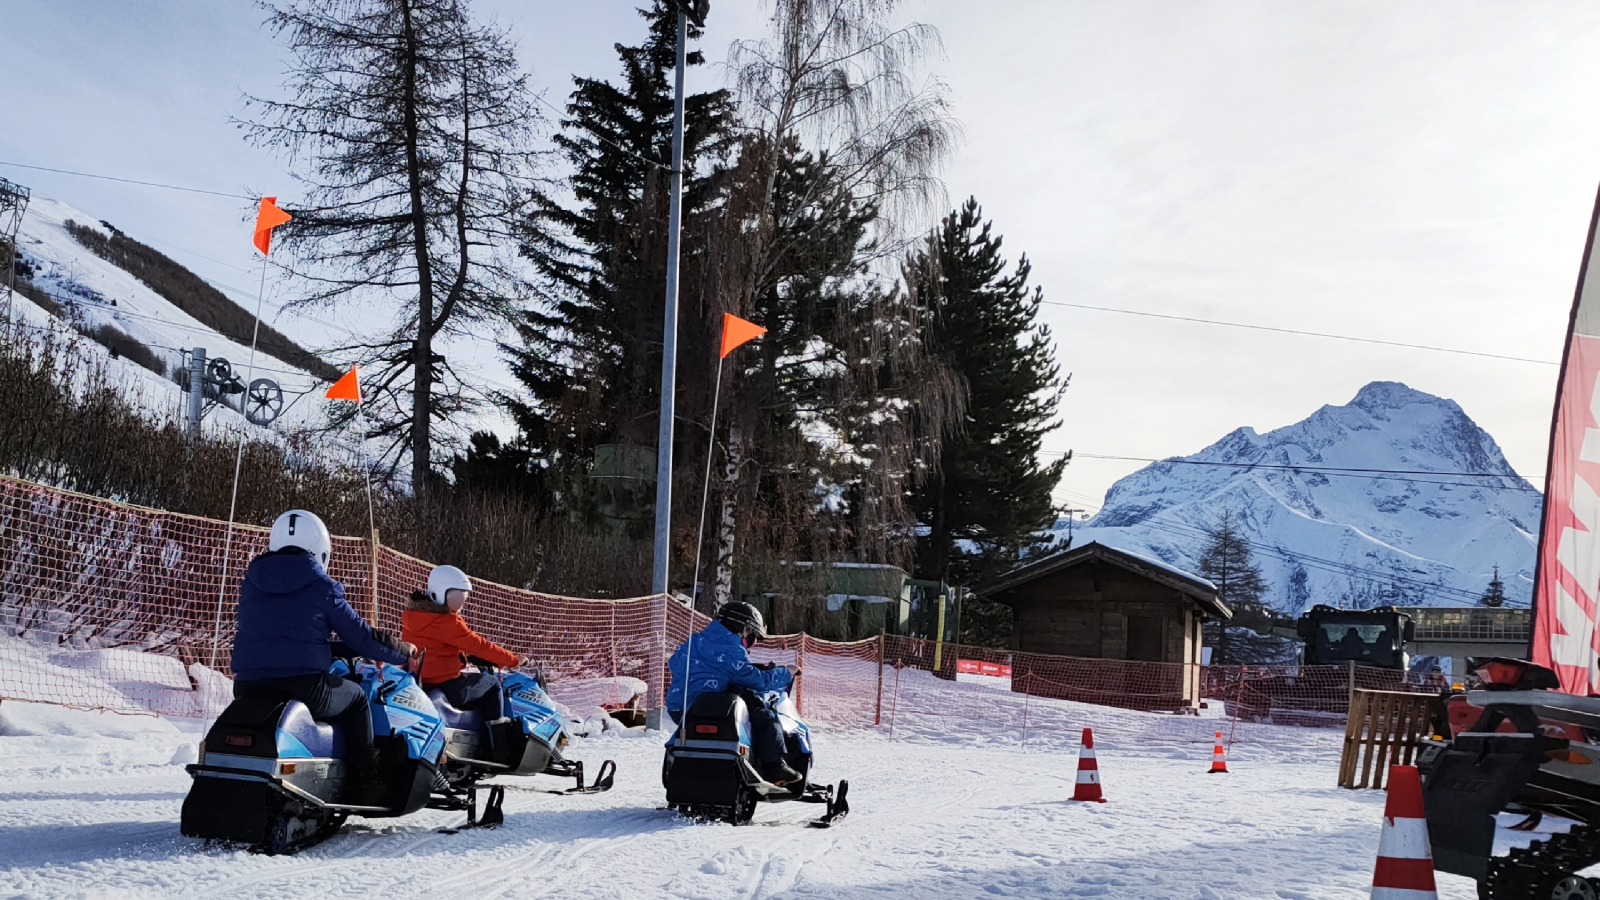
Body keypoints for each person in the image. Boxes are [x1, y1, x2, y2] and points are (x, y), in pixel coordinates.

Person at [230, 509, 416, 807]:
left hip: (247, 684)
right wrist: (402, 651)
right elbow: (363, 638)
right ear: (321, 549)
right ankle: (365, 781)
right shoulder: (321, 586)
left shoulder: (252, 581)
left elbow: (281, 635)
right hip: (303, 685)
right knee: (356, 699)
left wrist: (330, 649)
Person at [666, 601, 803, 786]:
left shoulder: (694, 641)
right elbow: (759, 681)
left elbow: (680, 664)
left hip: (679, 706)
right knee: (762, 712)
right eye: (753, 637)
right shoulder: (731, 648)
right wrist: (787, 672)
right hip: (715, 705)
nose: (752, 643)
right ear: (744, 629)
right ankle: (774, 766)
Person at [401, 564, 528, 718]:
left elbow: (437, 646)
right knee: (492, 685)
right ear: (440, 593)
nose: (461, 604)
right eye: (457, 598)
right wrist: (513, 660)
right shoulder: (446, 621)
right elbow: (480, 645)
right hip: (448, 684)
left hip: (421, 681)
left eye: (464, 598)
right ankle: (499, 741)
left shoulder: (415, 616)